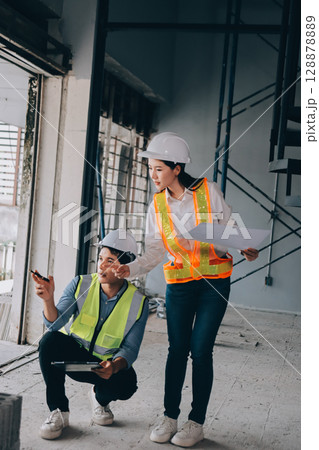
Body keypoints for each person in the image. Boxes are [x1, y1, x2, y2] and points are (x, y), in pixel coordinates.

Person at [114, 132, 259, 448]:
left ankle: (196, 422)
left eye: (158, 169)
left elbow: (230, 232)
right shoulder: (157, 205)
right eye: (150, 169)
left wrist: (245, 246)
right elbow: (154, 251)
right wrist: (131, 268)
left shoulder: (209, 192)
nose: (153, 175)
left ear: (176, 168)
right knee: (177, 350)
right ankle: (169, 417)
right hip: (178, 285)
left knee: (201, 349)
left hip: (213, 283)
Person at [32, 229, 148, 440]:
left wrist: (114, 365)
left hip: (102, 369)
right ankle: (58, 411)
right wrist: (48, 300)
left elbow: (130, 349)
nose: (102, 265)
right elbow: (55, 324)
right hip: (71, 361)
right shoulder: (81, 284)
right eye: (100, 258)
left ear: (125, 268)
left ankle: (99, 399)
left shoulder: (139, 301)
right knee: (49, 342)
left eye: (110, 260)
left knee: (128, 382)